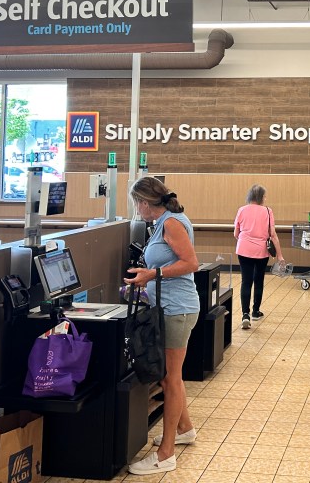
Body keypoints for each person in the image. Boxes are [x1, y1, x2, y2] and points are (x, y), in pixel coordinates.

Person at [124, 177, 200, 475]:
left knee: (171, 379)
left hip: (176, 310)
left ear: (144, 202)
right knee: (172, 377)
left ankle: (165, 454)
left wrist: (151, 274)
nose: (136, 209)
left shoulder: (171, 224)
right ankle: (184, 429)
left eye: (136, 203)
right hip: (170, 308)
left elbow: (191, 263)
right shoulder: (167, 221)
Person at [234, 184, 285, 329]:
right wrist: (280, 255)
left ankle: (245, 314)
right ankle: (256, 311)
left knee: (246, 281)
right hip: (261, 250)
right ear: (261, 197)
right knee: (258, 279)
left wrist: (246, 240)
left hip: (243, 249)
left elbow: (236, 234)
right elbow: (273, 235)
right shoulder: (268, 211)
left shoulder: (241, 210)